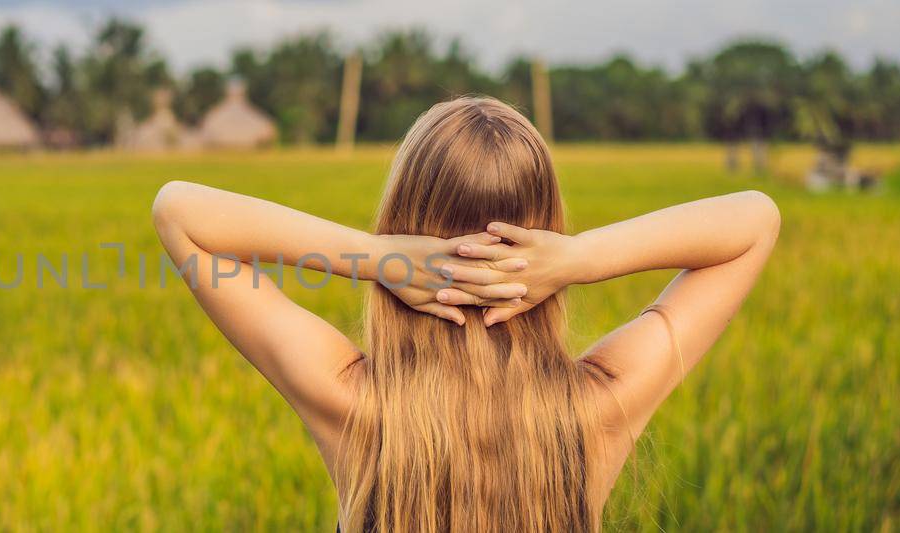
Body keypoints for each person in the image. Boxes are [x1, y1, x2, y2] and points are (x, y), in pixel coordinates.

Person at [151, 96, 780, 532]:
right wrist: (577, 259)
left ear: (403, 223)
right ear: (545, 233)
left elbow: (180, 213)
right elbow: (755, 219)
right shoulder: (599, 407)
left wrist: (375, 258)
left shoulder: (355, 405)